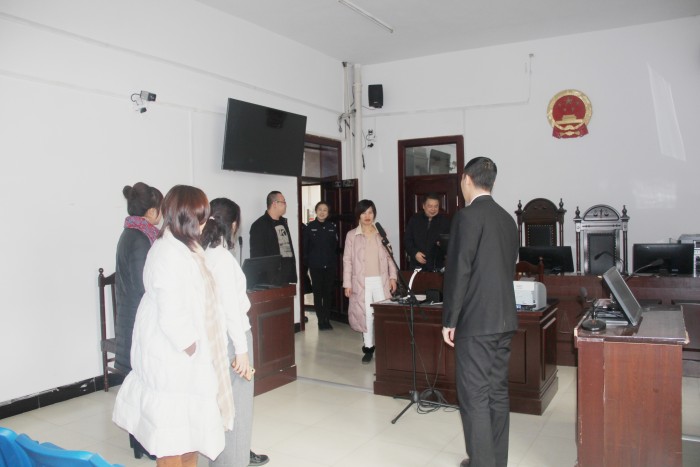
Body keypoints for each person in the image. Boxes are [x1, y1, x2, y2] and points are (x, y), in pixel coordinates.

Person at [113, 185, 234, 467]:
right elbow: (171, 312)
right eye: (201, 217)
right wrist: (191, 347)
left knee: (189, 436)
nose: (205, 223)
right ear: (186, 217)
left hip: (185, 358)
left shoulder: (184, 247)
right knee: (172, 440)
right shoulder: (168, 252)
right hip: (173, 358)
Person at [441, 158, 519, 467]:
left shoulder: (467, 216)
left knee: (474, 395)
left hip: (476, 321)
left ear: (466, 179)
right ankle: (496, 461)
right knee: (497, 392)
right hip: (505, 318)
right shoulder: (507, 219)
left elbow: (459, 271)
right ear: (492, 182)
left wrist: (450, 319)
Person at [201, 198, 269, 467]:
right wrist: (242, 351)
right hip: (232, 340)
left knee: (217, 407)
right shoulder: (222, 259)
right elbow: (232, 310)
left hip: (211, 338)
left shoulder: (201, 252)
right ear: (233, 225)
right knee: (237, 409)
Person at [114, 182, 162, 460]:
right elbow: (145, 285)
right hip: (137, 321)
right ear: (152, 211)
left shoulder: (133, 233)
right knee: (144, 383)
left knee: (140, 383)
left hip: (132, 317)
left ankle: (140, 442)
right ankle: (142, 442)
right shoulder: (140, 238)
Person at [343, 199, 397, 364]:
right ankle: (368, 347)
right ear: (358, 215)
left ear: (374, 214)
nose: (367, 216)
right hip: (361, 282)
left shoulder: (381, 232)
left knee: (382, 314)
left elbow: (390, 257)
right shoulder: (352, 235)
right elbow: (347, 260)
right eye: (364, 212)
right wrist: (347, 283)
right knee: (366, 316)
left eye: (370, 212)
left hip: (381, 280)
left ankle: (384, 347)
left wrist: (393, 277)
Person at [303, 201, 339, 331]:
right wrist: (307, 264)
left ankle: (327, 319)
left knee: (328, 293)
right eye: (320, 209)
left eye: (325, 210)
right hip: (315, 266)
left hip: (329, 265)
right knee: (318, 293)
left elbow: (335, 246)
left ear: (328, 213)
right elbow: (305, 248)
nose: (322, 212)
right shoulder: (309, 227)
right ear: (316, 211)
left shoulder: (332, 227)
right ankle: (320, 320)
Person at [249, 191, 297, 284]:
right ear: (274, 204)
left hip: (286, 276)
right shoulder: (259, 225)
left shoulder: (283, 222)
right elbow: (256, 256)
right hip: (270, 279)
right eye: (283, 202)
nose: (286, 205)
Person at [404, 192, 451, 271]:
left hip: (437, 266)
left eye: (436, 206)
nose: (433, 209)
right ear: (424, 206)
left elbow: (449, 243)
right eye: (430, 206)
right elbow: (407, 240)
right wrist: (414, 253)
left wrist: (442, 244)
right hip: (417, 265)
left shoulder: (445, 222)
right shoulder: (414, 220)